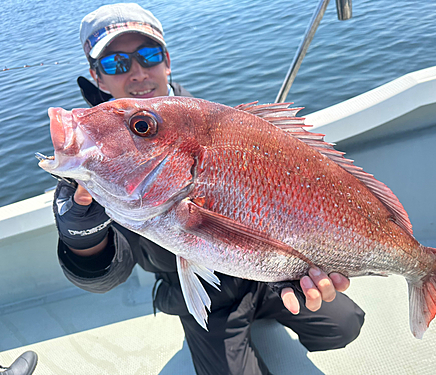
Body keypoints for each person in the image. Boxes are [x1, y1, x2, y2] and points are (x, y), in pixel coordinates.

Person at [53, 3, 365, 374]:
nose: (137, 72)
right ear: (97, 76)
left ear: (167, 61)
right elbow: (113, 272)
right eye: (116, 64)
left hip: (268, 276)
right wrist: (81, 238)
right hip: (204, 298)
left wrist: (288, 267)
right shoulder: (95, 162)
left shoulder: (216, 123)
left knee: (344, 324)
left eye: (148, 55)